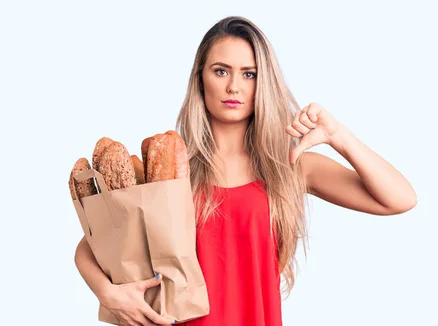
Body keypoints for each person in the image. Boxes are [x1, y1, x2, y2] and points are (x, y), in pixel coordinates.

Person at [74, 16, 417, 326]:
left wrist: (338, 136)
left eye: (249, 74)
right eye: (221, 71)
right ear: (200, 79)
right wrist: (108, 294)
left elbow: (399, 199)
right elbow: (92, 245)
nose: (234, 86)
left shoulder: (290, 165)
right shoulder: (172, 170)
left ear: (263, 82)